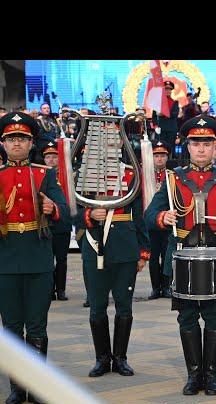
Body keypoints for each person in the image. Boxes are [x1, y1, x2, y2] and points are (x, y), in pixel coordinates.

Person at [144, 115, 216, 396]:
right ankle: (194, 375)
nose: (201, 149)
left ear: (215, 147)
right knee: (187, 318)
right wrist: (163, 216)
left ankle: (211, 376)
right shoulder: (173, 179)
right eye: (196, 144)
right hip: (182, 256)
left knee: (215, 318)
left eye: (207, 144)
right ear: (187, 146)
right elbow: (149, 214)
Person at [0, 112, 71, 404]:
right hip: (5, 259)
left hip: (38, 257)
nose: (17, 143)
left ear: (31, 143)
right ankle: (18, 388)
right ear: (3, 143)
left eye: (22, 138)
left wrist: (52, 207)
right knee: (13, 328)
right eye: (11, 138)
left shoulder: (44, 175)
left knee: (37, 326)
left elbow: (66, 214)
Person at [77, 128, 151, 379]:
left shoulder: (131, 174)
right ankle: (102, 358)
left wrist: (143, 250)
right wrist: (89, 215)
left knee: (124, 307)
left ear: (121, 142)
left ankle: (120, 358)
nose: (109, 143)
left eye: (113, 138)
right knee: (97, 307)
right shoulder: (84, 174)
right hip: (94, 246)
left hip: (125, 247)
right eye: (103, 137)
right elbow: (69, 213)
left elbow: (140, 214)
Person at [40, 141, 73, 301]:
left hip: (63, 224)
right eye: (48, 157)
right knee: (47, 259)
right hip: (47, 223)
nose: (51, 160)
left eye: (54, 157)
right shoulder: (42, 175)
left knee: (61, 259)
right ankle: (48, 289)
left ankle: (60, 289)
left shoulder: (67, 175)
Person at [147, 140, 172, 300]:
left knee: (167, 255)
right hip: (150, 221)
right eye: (156, 155)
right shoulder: (145, 175)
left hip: (167, 220)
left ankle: (167, 286)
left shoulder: (172, 175)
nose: (159, 159)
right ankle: (156, 288)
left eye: (162, 155)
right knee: (153, 257)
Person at [152, 81, 180, 151]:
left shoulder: (175, 102)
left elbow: (175, 114)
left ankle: (171, 161)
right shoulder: (158, 102)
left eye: (169, 90)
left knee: (171, 148)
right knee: (159, 147)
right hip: (160, 129)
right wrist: (155, 126)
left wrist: (163, 114)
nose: (168, 91)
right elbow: (154, 116)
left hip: (171, 129)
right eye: (166, 89)